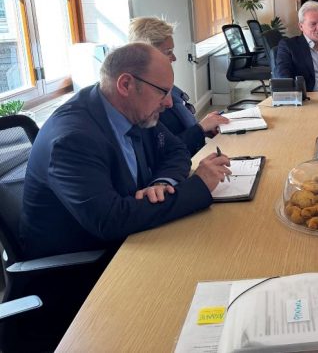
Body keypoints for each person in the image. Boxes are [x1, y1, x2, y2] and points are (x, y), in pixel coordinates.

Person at [20, 43, 231, 259]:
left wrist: (161, 184)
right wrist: (198, 186)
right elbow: (111, 220)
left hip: (135, 238)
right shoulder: (72, 139)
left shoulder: (132, 109)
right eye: (162, 92)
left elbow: (176, 149)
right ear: (126, 84)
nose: (169, 103)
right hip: (88, 262)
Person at [129, 17, 228, 155]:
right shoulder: (144, 102)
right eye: (168, 52)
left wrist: (206, 127)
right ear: (147, 54)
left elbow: (180, 130)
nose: (174, 58)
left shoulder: (167, 87)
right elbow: (163, 151)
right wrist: (200, 128)